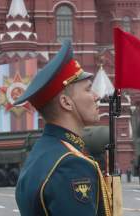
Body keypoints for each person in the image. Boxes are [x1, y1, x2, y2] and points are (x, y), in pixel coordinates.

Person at [14, 40, 112, 216]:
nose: (96, 96)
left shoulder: (43, 152)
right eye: (88, 90)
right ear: (66, 102)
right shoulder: (71, 165)